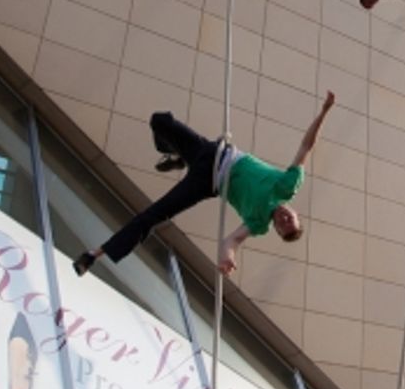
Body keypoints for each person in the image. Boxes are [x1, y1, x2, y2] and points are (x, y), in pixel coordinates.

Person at [74, 92, 337, 277]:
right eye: (289, 219)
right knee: (160, 121)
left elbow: (231, 240)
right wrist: (324, 112)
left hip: (207, 182)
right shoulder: (288, 185)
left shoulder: (258, 222)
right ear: (295, 212)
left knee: (154, 214)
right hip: (212, 152)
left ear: (276, 230)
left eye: (281, 226)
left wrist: (227, 258)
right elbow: (307, 146)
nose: (282, 219)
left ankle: (95, 254)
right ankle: (176, 155)